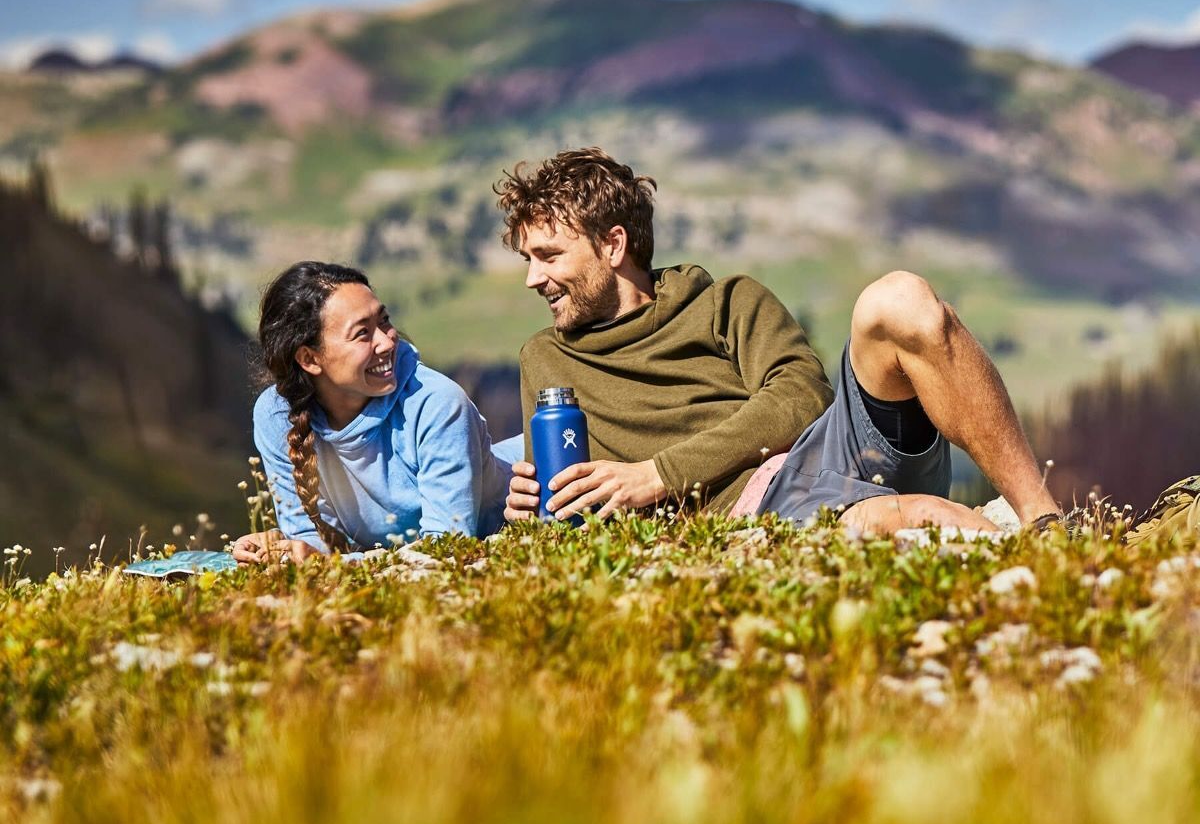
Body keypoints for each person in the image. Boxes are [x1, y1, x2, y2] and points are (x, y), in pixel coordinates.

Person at [498, 147, 1061, 536]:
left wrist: (658, 474)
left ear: (613, 245)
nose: (532, 279)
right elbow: (567, 497)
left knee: (899, 298)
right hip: (759, 510)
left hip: (831, 448)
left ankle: (1046, 521)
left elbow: (801, 397)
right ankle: (933, 524)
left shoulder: (726, 302)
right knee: (909, 520)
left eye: (549, 256)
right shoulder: (545, 359)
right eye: (528, 260)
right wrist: (533, 507)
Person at [232, 261, 511, 563]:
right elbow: (309, 542)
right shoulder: (276, 415)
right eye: (362, 333)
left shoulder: (438, 404)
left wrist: (327, 564)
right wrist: (283, 551)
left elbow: (445, 550)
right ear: (310, 359)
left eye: (384, 320)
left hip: (537, 504)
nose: (386, 340)